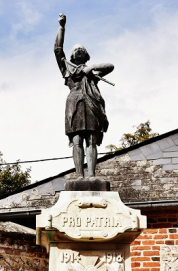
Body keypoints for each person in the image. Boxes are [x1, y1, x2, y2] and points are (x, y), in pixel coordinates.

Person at [55, 13, 114, 179]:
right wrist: (62, 27)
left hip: (91, 104)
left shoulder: (91, 72)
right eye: (76, 50)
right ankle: (79, 175)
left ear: (86, 54)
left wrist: (92, 68)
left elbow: (110, 66)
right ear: (72, 55)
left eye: (82, 50)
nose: (79, 51)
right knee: (76, 141)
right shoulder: (68, 69)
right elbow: (58, 50)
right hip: (74, 106)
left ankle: (92, 175)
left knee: (91, 140)